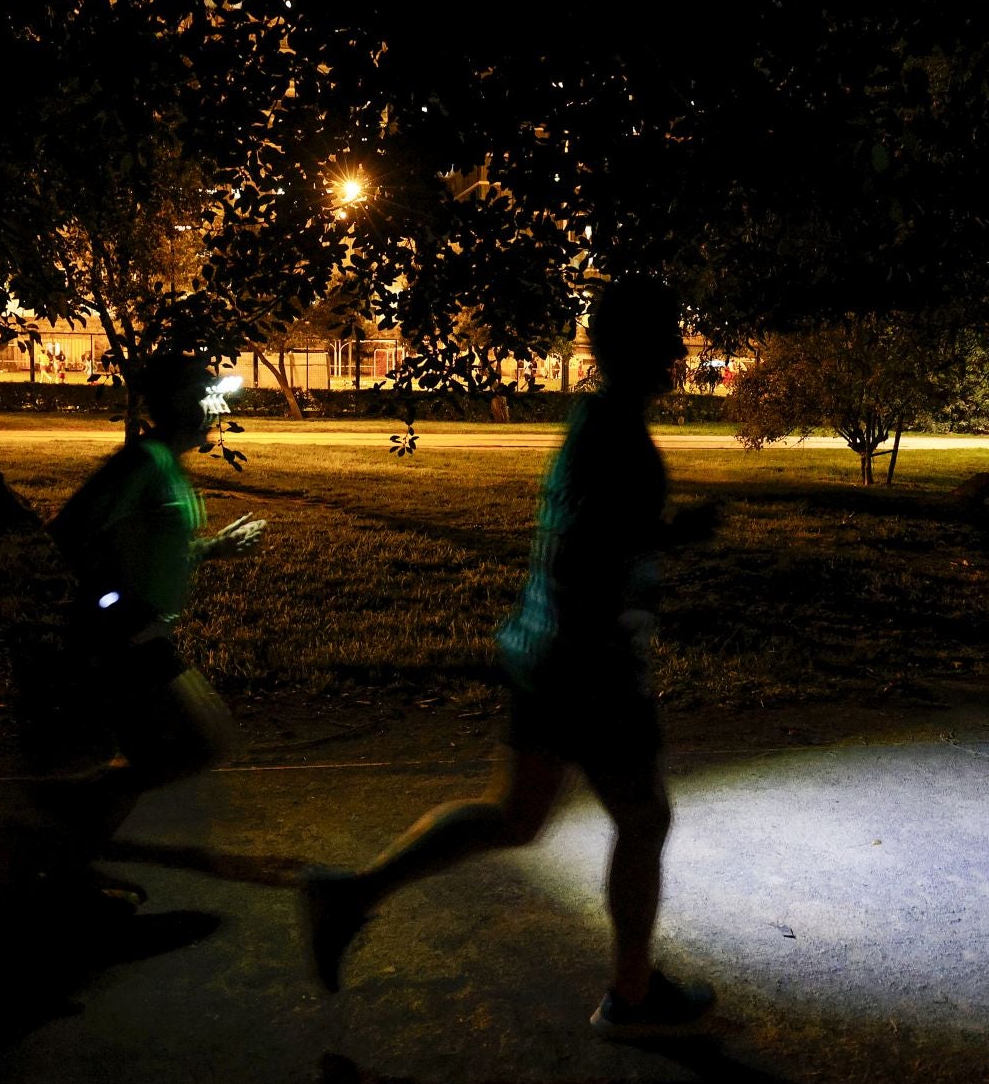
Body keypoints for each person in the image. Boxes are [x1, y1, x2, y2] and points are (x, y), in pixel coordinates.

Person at [302, 278, 722, 1039]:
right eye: (666, 338)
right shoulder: (616, 435)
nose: (675, 352)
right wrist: (667, 551)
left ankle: (352, 894)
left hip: (547, 652)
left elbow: (592, 536)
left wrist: (664, 541)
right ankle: (631, 999)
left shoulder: (596, 420)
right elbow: (597, 550)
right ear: (638, 348)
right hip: (588, 664)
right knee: (642, 816)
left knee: (516, 816)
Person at [37, 354, 266, 915]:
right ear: (176, 407)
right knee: (196, 743)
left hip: (141, 631)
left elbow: (147, 548)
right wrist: (114, 603)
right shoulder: (140, 462)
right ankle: (56, 827)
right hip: (123, 636)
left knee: (162, 752)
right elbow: (66, 536)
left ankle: (64, 858)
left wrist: (213, 548)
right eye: (204, 399)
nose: (215, 410)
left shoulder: (165, 462)